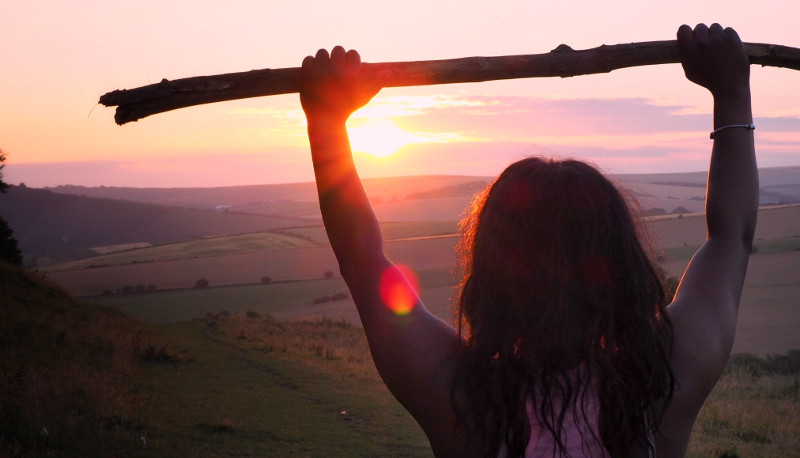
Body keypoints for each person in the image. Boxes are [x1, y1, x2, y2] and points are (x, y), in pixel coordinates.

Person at [298, 22, 756, 458]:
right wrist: (731, 92)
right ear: (621, 270)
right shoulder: (663, 381)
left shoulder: (457, 395)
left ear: (491, 273)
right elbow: (731, 239)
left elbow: (361, 261)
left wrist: (326, 121)